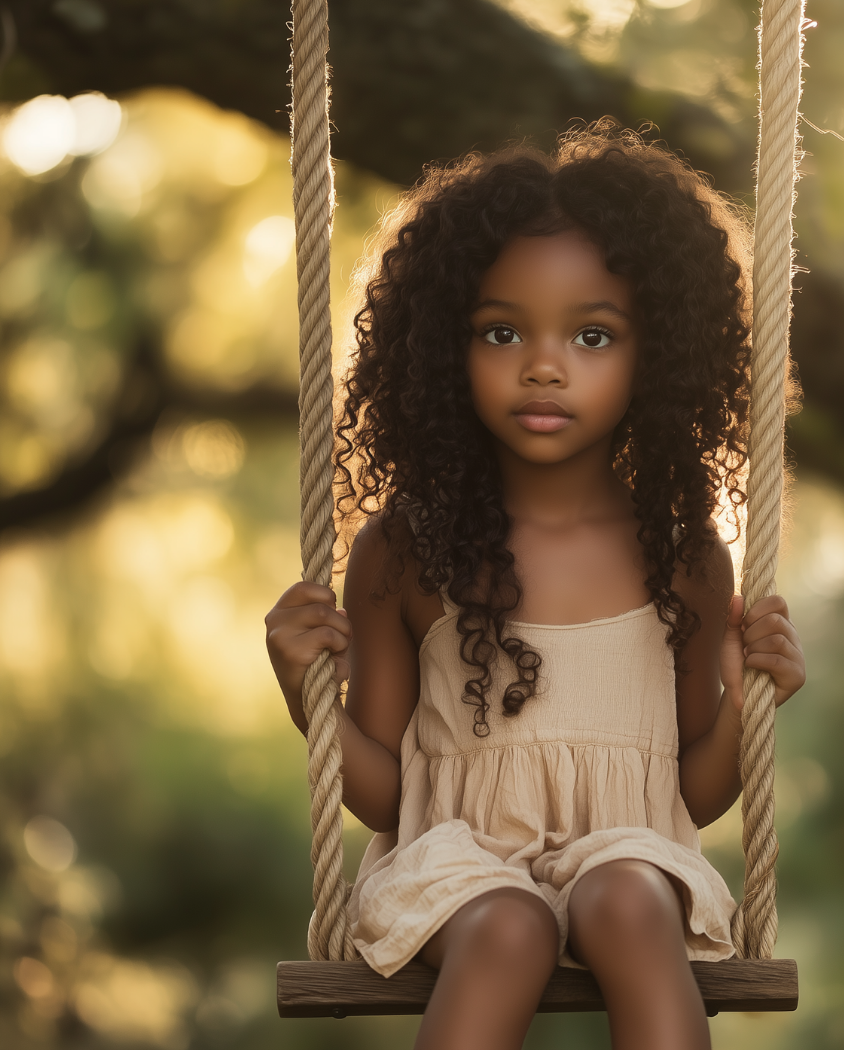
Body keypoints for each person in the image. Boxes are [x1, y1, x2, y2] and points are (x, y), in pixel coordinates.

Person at [265, 123, 806, 1050]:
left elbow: (695, 794)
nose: (544, 364)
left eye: (593, 334)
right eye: (501, 331)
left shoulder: (686, 559)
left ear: (658, 355)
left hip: (628, 862)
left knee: (629, 898)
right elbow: (389, 801)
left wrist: (753, 700)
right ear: (446, 347)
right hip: (458, 876)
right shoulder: (407, 552)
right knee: (510, 927)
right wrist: (304, 695)